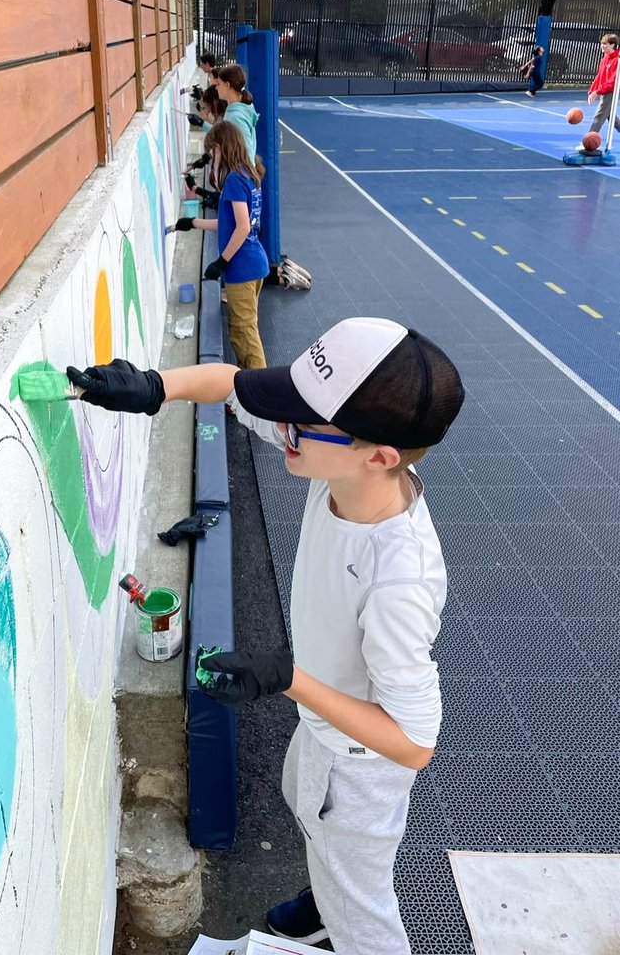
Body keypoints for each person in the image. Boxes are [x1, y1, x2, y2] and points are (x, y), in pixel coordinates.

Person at [66, 317, 465, 954]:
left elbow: (414, 743)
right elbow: (231, 384)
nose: (283, 425)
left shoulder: (398, 584)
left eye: (299, 417)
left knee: (363, 905)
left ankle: (345, 918)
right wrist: (151, 386)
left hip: (358, 772)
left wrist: (288, 678)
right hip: (323, 731)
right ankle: (325, 904)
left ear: (381, 455)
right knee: (305, 813)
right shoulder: (342, 466)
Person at [174, 120, 269, 369]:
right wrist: (193, 222)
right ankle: (246, 387)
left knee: (245, 333)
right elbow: (228, 222)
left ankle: (261, 393)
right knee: (240, 331)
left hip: (243, 267)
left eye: (212, 152)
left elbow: (243, 227)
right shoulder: (247, 174)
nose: (211, 158)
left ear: (220, 148)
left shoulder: (236, 180)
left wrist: (222, 261)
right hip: (252, 263)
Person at [578, 32, 620, 151]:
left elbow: (613, 81)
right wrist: (592, 90)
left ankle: (588, 142)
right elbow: (599, 76)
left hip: (611, 92)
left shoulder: (617, 61)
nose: (602, 46)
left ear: (613, 45)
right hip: (604, 92)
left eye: (605, 44)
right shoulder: (604, 60)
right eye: (602, 44)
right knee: (612, 119)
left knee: (599, 116)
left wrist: (598, 91)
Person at [215, 63, 259, 163]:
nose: (216, 88)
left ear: (227, 85)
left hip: (238, 176)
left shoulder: (236, 117)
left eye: (218, 84)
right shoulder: (236, 110)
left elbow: (248, 156)